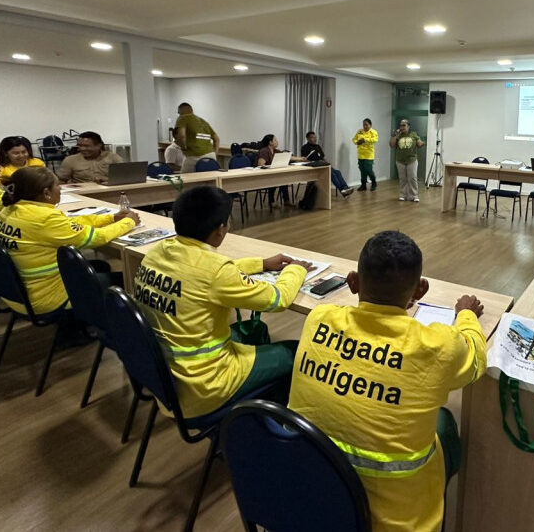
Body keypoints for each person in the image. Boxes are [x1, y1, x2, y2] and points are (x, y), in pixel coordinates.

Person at [289, 231, 486, 532]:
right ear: (420, 291)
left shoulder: (319, 318)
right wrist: (467, 315)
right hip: (393, 523)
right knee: (444, 422)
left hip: (308, 498)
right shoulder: (438, 346)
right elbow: (475, 358)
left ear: (353, 282)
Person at [131, 186, 312, 419]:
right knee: (296, 351)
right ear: (220, 230)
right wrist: (297, 270)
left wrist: (261, 264)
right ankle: (269, 424)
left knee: (257, 332)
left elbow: (204, 274)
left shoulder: (159, 251)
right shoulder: (214, 271)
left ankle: (260, 406)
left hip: (166, 375)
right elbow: (278, 299)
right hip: (204, 386)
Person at [0, 167, 139, 315]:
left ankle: (85, 319)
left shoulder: (9, 210)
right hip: (47, 297)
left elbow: (69, 223)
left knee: (99, 266)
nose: (60, 189)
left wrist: (111, 218)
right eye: (57, 185)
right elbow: (95, 238)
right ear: (46, 193)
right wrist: (128, 222)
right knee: (126, 280)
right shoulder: (44, 218)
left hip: (17, 294)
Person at [301, 131, 354, 198]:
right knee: (332, 174)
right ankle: (343, 190)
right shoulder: (304, 147)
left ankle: (345, 188)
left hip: (323, 165)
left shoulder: (317, 146)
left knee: (337, 172)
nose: (314, 139)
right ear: (307, 138)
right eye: (312, 137)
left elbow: (322, 157)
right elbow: (304, 159)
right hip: (314, 168)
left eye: (315, 137)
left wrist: (328, 164)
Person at [56, 131, 123, 183]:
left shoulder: (113, 158)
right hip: (83, 195)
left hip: (110, 192)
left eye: (86, 146)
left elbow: (124, 177)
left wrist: (107, 180)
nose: (82, 149)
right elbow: (60, 180)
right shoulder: (70, 160)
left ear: (99, 146)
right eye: (80, 145)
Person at [174, 102, 220, 173]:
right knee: (209, 180)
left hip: (194, 156)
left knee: (184, 180)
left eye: (178, 112)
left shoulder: (182, 118)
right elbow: (216, 139)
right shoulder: (203, 121)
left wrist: (183, 148)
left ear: (181, 110)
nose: (178, 114)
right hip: (211, 156)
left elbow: (181, 136)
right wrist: (214, 154)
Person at [389, 118, 424, 202]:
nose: (402, 127)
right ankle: (403, 194)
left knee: (412, 178)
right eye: (401, 125)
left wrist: (421, 143)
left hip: (412, 160)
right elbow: (392, 145)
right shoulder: (398, 135)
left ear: (408, 126)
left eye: (404, 125)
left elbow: (419, 143)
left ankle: (414, 195)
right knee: (402, 178)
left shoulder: (413, 134)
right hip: (400, 160)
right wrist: (394, 135)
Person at [255, 134, 295, 205]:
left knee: (283, 180)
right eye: (275, 140)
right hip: (264, 175)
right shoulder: (264, 151)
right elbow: (260, 164)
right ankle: (271, 201)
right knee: (274, 180)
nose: (277, 142)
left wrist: (301, 158)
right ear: (270, 142)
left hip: (274, 173)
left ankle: (286, 201)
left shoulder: (276, 151)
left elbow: (288, 157)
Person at [353, 118, 379, 191]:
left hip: (369, 155)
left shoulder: (373, 132)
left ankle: (373, 182)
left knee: (368, 169)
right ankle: (363, 185)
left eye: (366, 125)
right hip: (360, 154)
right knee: (362, 170)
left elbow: (375, 140)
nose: (365, 126)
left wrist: (365, 140)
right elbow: (354, 139)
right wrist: (356, 142)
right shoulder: (360, 131)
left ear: (370, 125)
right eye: (364, 125)